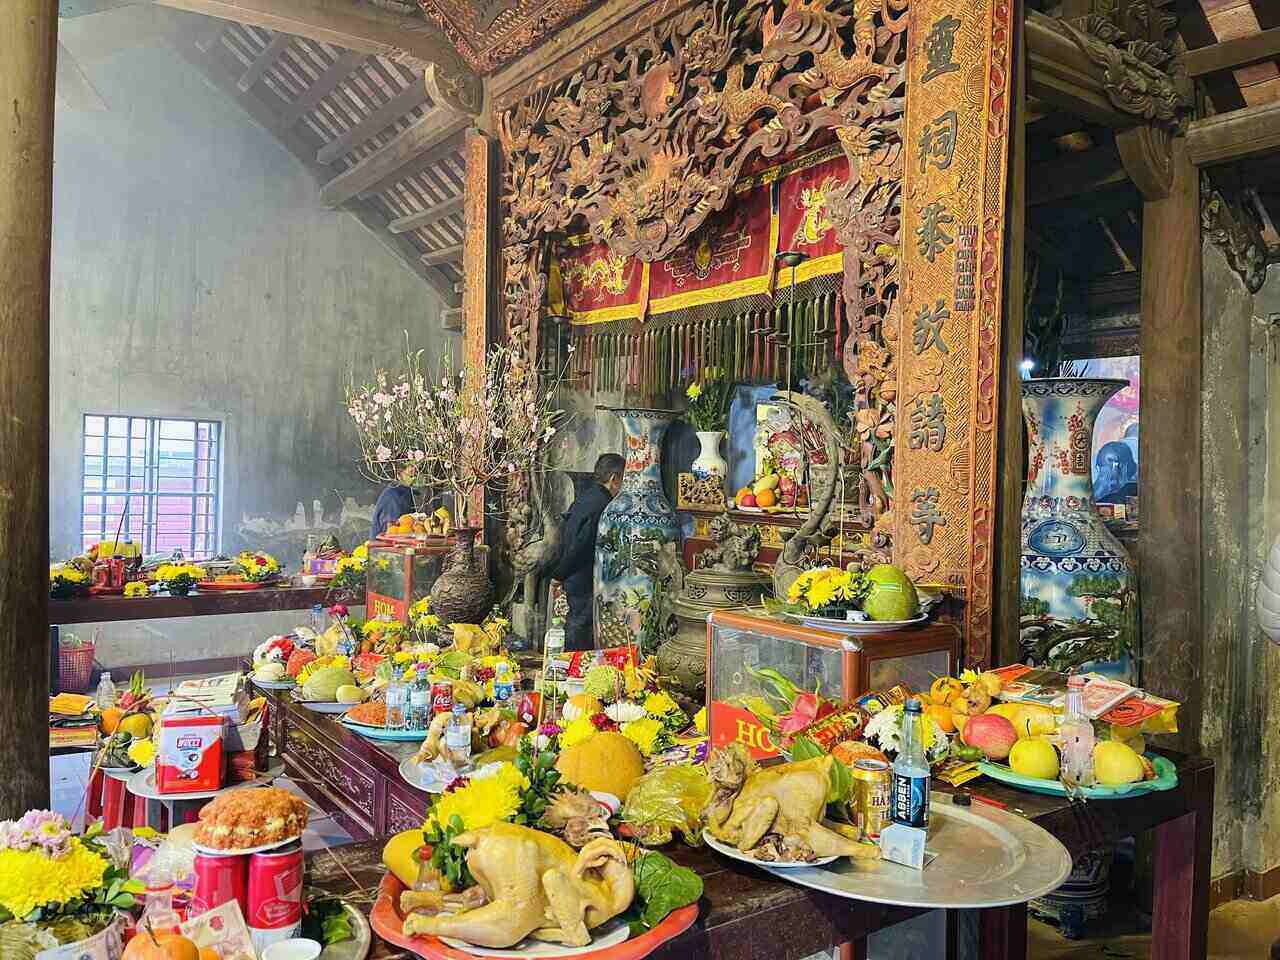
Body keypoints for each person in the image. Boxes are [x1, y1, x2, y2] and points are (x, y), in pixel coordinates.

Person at [554, 453, 624, 650]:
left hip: (573, 575)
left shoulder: (585, 498)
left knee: (577, 623)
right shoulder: (603, 506)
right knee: (580, 628)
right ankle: (573, 672)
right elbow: (582, 544)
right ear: (614, 478)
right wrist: (560, 573)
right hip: (583, 576)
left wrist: (561, 571)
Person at [370, 463, 417, 540]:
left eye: (417, 474)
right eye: (411, 475)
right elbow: (392, 530)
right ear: (399, 475)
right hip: (384, 545)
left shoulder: (408, 491)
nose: (414, 478)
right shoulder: (394, 495)